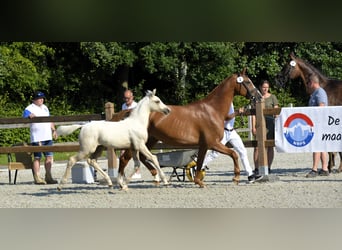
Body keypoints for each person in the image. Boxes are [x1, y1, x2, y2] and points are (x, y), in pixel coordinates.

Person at [202, 103, 263, 183]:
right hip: (223, 132)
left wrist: (239, 112)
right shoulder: (223, 103)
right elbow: (226, 117)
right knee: (215, 153)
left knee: (243, 151)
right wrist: (237, 112)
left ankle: (250, 175)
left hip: (232, 132)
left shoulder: (230, 102)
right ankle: (200, 166)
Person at [23, 91, 58, 184]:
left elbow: (49, 119)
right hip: (37, 137)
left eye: (42, 98)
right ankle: (37, 177)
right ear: (34, 99)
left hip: (47, 136)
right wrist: (29, 116)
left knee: (49, 157)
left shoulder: (45, 108)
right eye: (39, 98)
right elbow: (25, 116)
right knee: (37, 157)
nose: (41, 100)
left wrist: (54, 130)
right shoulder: (29, 108)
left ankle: (48, 175)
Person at [252, 80, 279, 174]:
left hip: (270, 124)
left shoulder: (273, 97)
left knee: (270, 146)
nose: (265, 89)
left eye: (267, 87)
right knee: (257, 147)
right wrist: (253, 127)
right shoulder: (256, 98)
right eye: (264, 87)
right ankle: (256, 168)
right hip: (260, 124)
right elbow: (253, 114)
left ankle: (268, 167)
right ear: (260, 87)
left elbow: (276, 111)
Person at [305, 74, 329, 177]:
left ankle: (314, 169)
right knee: (322, 147)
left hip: (319, 123)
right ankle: (324, 169)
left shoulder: (320, 93)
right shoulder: (316, 93)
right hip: (318, 123)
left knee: (317, 146)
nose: (308, 86)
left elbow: (321, 107)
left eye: (308, 83)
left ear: (312, 83)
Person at [121, 89, 140, 179]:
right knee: (122, 151)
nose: (126, 100)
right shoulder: (123, 106)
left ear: (132, 97)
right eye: (125, 98)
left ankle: (137, 171)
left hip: (135, 131)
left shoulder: (136, 106)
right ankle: (122, 171)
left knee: (135, 151)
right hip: (125, 130)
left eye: (128, 98)